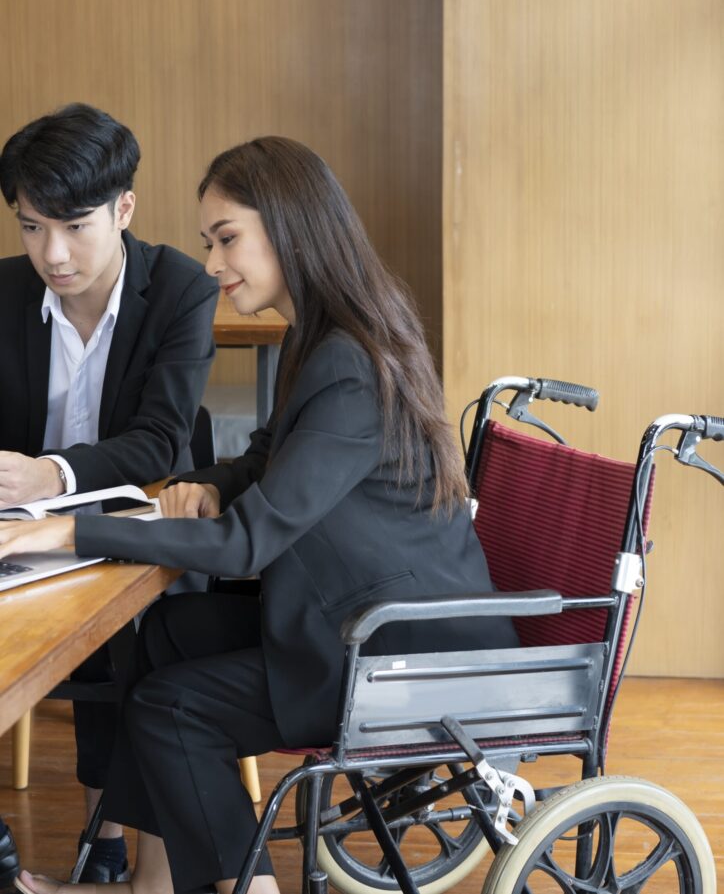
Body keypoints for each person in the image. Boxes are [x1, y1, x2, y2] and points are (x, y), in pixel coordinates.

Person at [0, 136, 518, 894]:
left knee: (173, 710)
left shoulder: (348, 362)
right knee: (166, 633)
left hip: (396, 646)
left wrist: (65, 529)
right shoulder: (326, 334)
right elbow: (267, 459)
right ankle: (153, 882)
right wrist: (211, 481)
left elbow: (247, 544)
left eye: (227, 238)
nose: (211, 263)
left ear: (289, 225)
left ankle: (251, 888)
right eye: (210, 242)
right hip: (346, 614)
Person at [0, 104, 218, 887]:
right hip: (24, 536)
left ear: (124, 208)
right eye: (30, 227)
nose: (51, 253)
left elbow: (161, 441)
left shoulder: (182, 289)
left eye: (74, 226)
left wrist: (51, 474)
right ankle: (99, 847)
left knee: (136, 644)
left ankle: (111, 847)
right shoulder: (3, 293)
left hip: (148, 532)